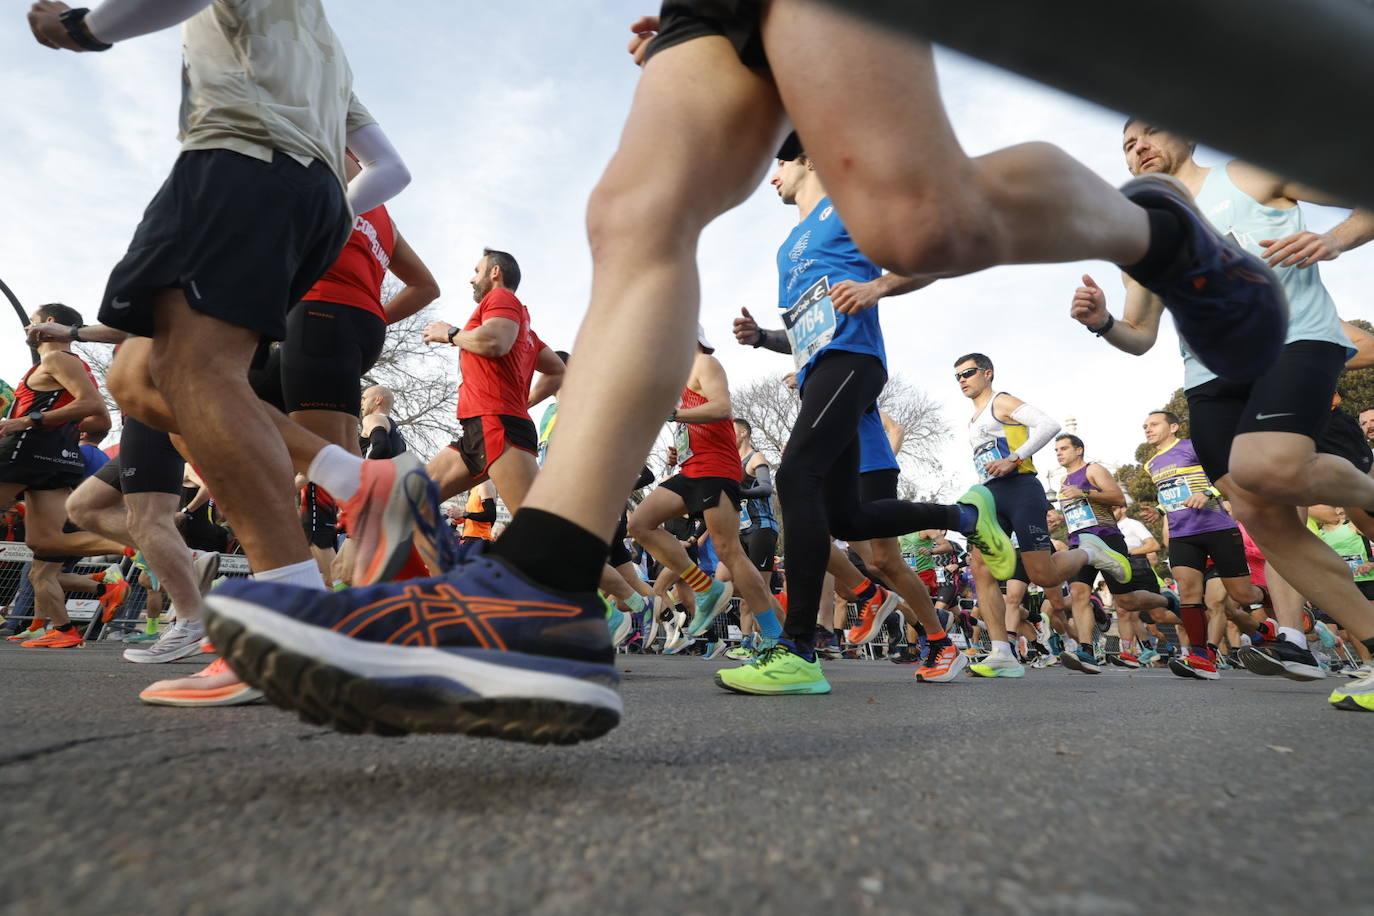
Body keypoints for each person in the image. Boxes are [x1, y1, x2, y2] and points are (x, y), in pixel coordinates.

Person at [199, 0, 1289, 740]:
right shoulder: (784, 246)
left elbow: (881, 263)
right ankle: (540, 589)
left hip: (847, 351)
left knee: (915, 216)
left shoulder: (809, 222)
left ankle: (1159, 232)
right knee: (634, 212)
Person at [1072, 124, 1374, 708]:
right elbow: (1140, 335)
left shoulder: (1250, 173)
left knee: (1269, 468)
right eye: (1126, 142)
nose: (1139, 144)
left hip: (1293, 339)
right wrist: (1104, 322)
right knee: (1261, 512)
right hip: (1209, 378)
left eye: (1151, 129)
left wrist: (1333, 239)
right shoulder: (1140, 235)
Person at [719, 137, 1012, 695]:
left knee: (793, 475)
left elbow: (931, 251)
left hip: (853, 361)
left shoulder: (849, 206)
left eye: (778, 161)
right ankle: (965, 516)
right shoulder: (789, 247)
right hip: (819, 371)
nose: (771, 174)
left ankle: (800, 649)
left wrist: (879, 285)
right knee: (847, 520)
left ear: (809, 158)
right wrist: (763, 339)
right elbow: (808, 327)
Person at [956, 353, 1130, 677]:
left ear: (987, 373)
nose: (962, 380)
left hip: (1021, 489)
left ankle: (1092, 551)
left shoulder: (1001, 401)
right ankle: (1001, 651)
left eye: (968, 372)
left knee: (1044, 576)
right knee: (980, 564)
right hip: (993, 494)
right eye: (958, 376)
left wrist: (1014, 457)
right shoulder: (973, 419)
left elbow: (1049, 424)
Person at [625, 329, 780, 661]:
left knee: (729, 552)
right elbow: (696, 423)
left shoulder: (705, 362)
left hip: (717, 469)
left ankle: (774, 635)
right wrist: (679, 450)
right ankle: (706, 589)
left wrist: (672, 415)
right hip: (692, 469)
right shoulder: (680, 383)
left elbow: (722, 407)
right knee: (640, 524)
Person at [0, 303, 119, 648]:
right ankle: (137, 549)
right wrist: (57, 424)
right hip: (53, 459)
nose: (26, 330)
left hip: (23, 452)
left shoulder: (56, 359)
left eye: (32, 323)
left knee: (45, 554)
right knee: (47, 544)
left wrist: (26, 421)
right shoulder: (71, 364)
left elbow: (93, 407)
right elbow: (95, 419)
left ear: (49, 323)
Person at [1053, 433, 1181, 672]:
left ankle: (1168, 600)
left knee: (1126, 601)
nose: (1059, 453)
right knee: (1079, 594)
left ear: (1078, 450)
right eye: (1056, 450)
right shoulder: (1062, 481)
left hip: (1106, 540)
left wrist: (1084, 493)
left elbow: (1117, 497)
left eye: (1063, 448)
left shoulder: (1093, 470)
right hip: (1079, 544)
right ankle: (1087, 650)